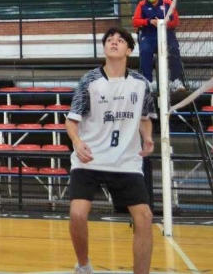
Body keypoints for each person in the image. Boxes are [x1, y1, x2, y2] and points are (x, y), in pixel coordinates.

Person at [66, 27, 155, 274]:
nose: (113, 42)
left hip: (126, 161)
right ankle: (83, 265)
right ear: (104, 48)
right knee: (77, 214)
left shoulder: (141, 84)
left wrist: (147, 137)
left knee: (145, 217)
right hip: (90, 158)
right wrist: (76, 141)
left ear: (128, 49)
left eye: (120, 40)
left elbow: (145, 117)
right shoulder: (89, 81)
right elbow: (71, 121)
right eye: (109, 40)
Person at [131, 0, 185, 91]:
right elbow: (135, 21)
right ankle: (147, 82)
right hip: (148, 33)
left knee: (174, 50)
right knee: (145, 51)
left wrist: (164, 23)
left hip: (166, 33)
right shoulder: (142, 5)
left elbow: (176, 21)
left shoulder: (168, 3)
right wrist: (148, 21)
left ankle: (176, 81)